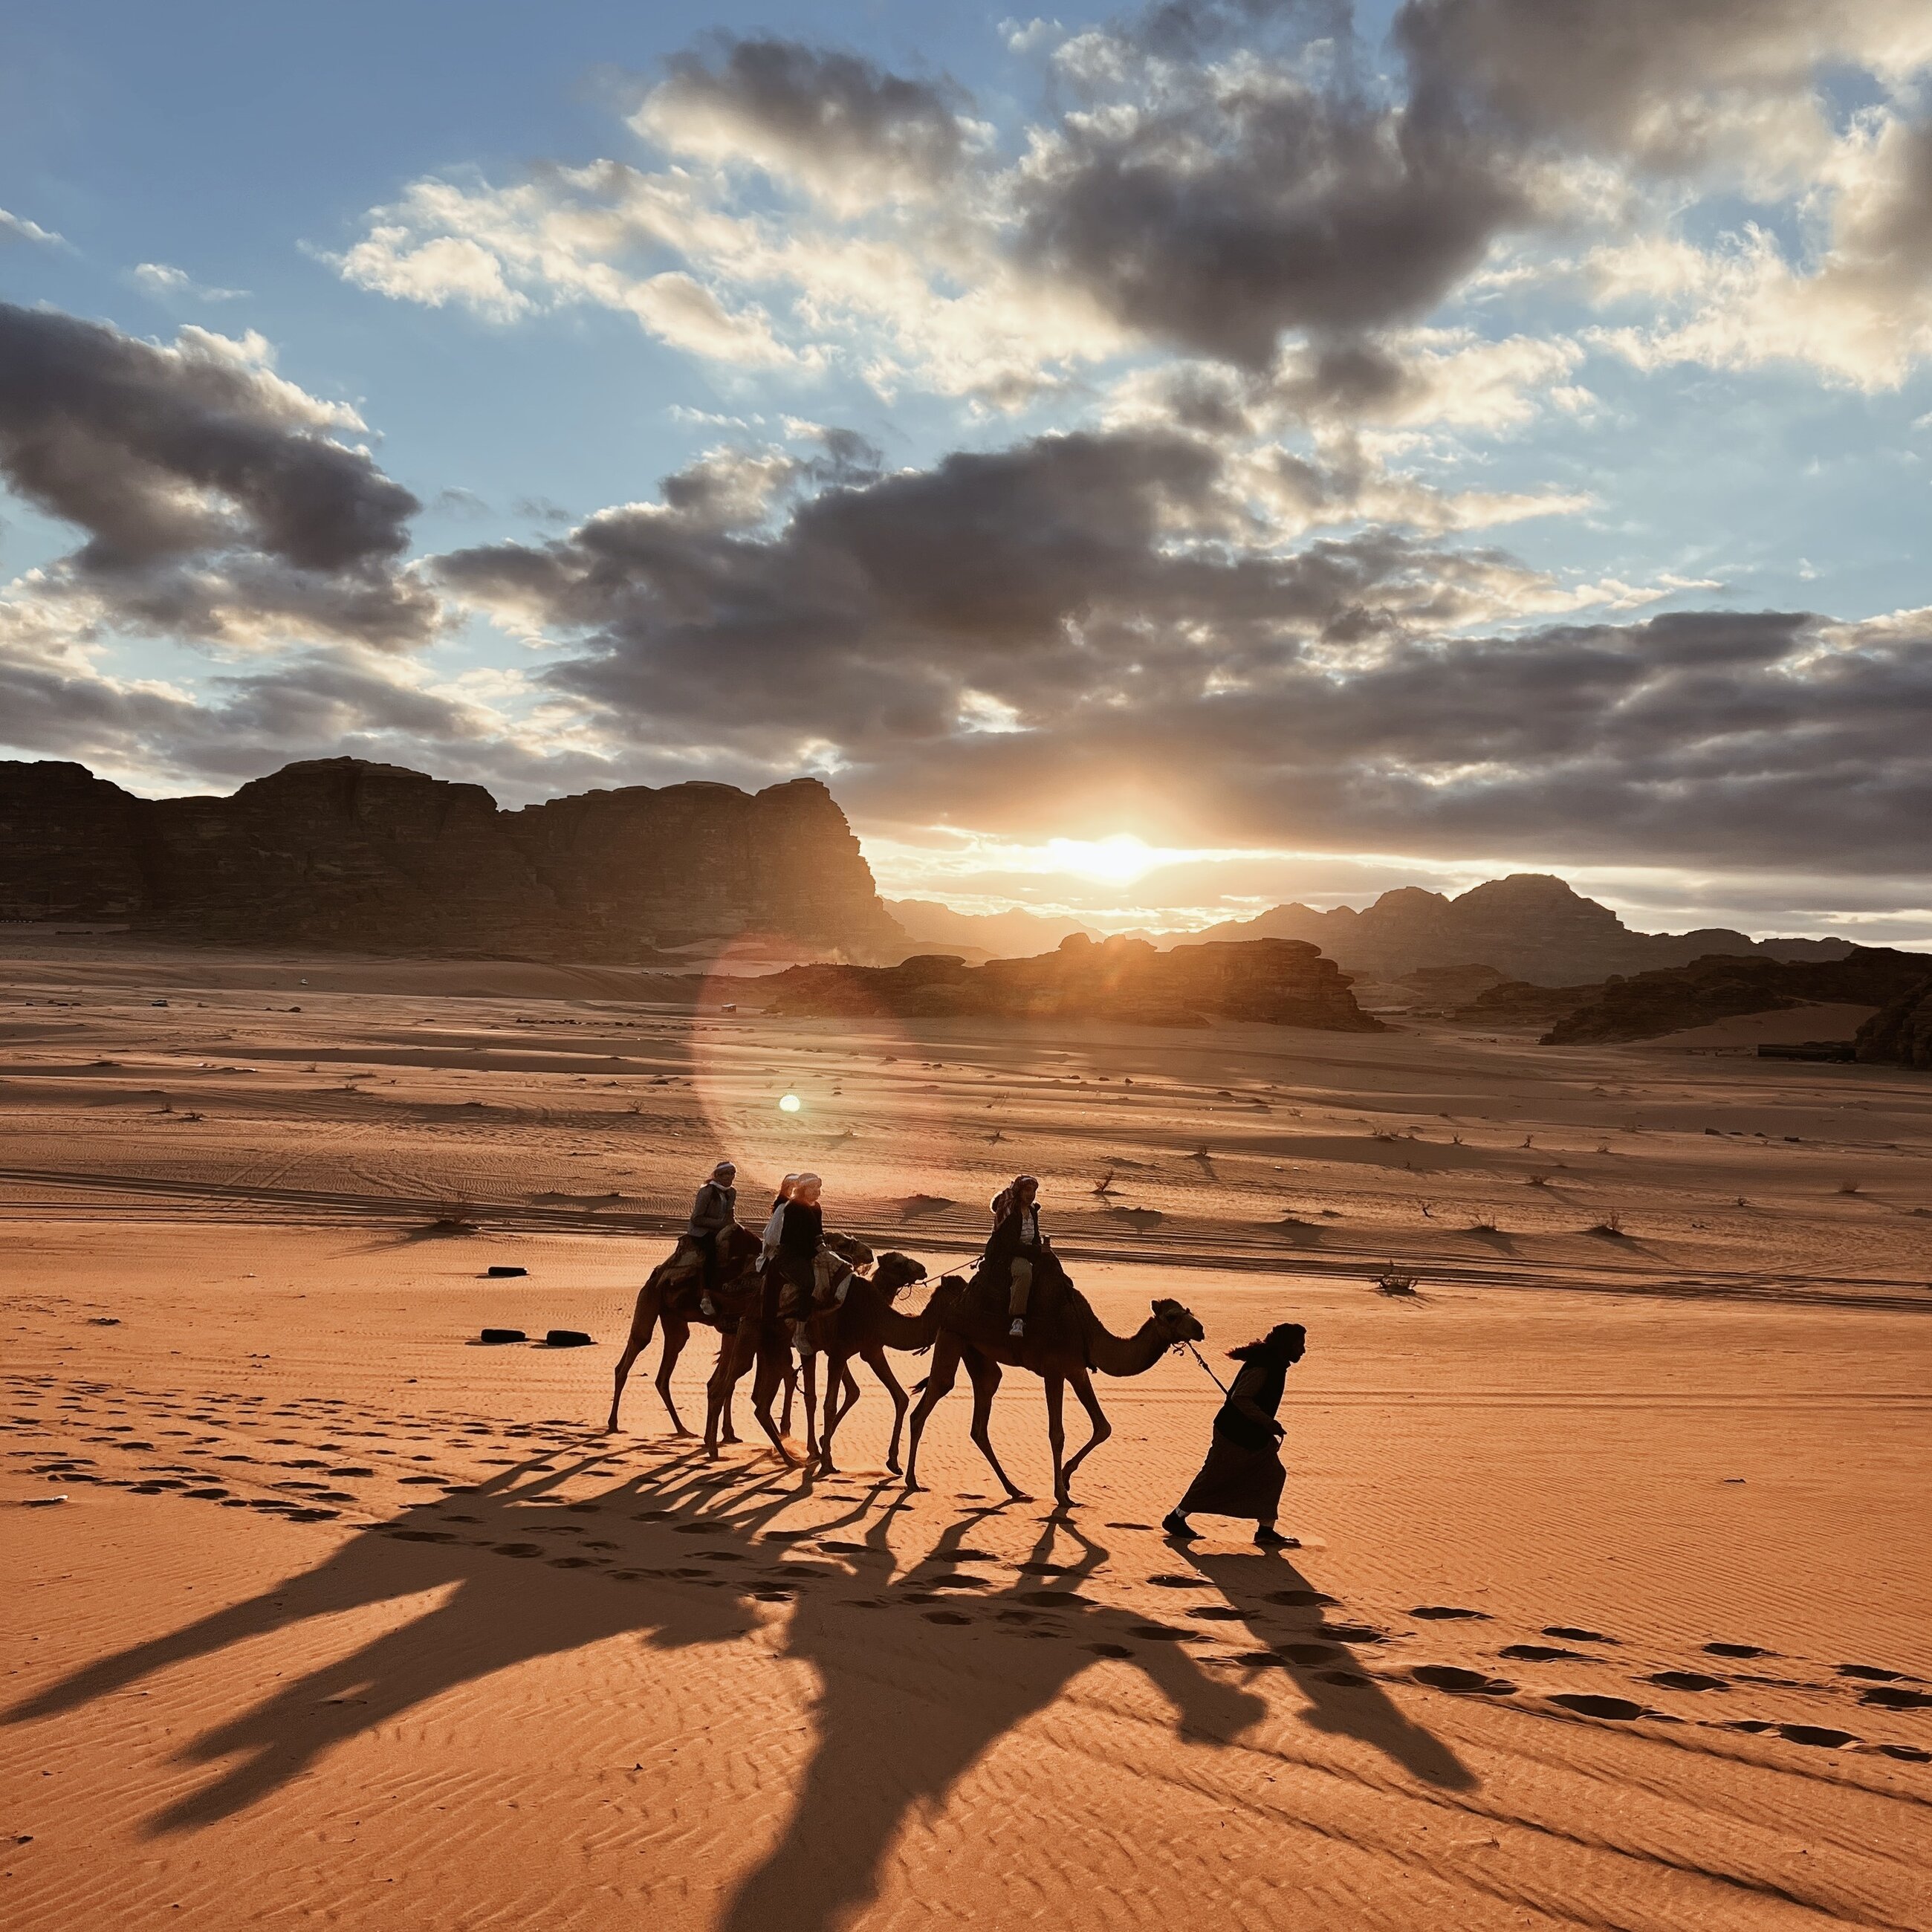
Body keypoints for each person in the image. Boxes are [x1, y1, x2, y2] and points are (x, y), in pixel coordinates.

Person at [1163, 1323, 1306, 1549]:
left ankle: (1265, 1531)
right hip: (1234, 1433)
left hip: (1254, 1435)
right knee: (1213, 1477)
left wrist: (1266, 1426)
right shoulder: (1265, 1365)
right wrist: (1269, 1423)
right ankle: (1176, 1518)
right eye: (1300, 1345)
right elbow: (1241, 1398)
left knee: (1273, 1474)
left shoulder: (1274, 1363)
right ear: (1287, 1345)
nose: (1303, 1350)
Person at [985, 1174, 1046, 1338]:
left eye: (1033, 1191)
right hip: (1008, 1256)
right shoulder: (1011, 1212)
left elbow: (1035, 1237)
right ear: (1019, 1192)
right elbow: (1010, 1245)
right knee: (1024, 1273)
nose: (1031, 1194)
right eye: (1027, 1190)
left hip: (1027, 1252)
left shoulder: (1032, 1211)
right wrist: (1035, 1252)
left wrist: (1041, 1249)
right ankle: (1017, 1319)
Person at [686, 1161, 737, 1317]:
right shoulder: (707, 1192)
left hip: (720, 1231)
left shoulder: (731, 1192)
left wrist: (733, 1226)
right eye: (726, 1174)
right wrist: (720, 1225)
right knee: (712, 1254)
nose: (730, 1177)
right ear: (718, 1176)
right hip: (702, 1232)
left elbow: (730, 1215)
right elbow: (696, 1218)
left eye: (732, 1174)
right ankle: (706, 1296)